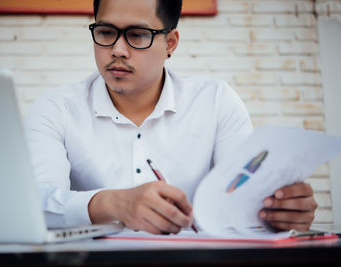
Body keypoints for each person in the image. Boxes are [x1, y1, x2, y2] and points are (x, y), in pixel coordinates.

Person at [26, 0, 317, 234]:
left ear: (171, 44)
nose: (117, 50)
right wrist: (114, 203)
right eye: (105, 32)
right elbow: (32, 206)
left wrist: (277, 212)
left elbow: (242, 205)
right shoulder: (57, 108)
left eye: (137, 35)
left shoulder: (216, 102)